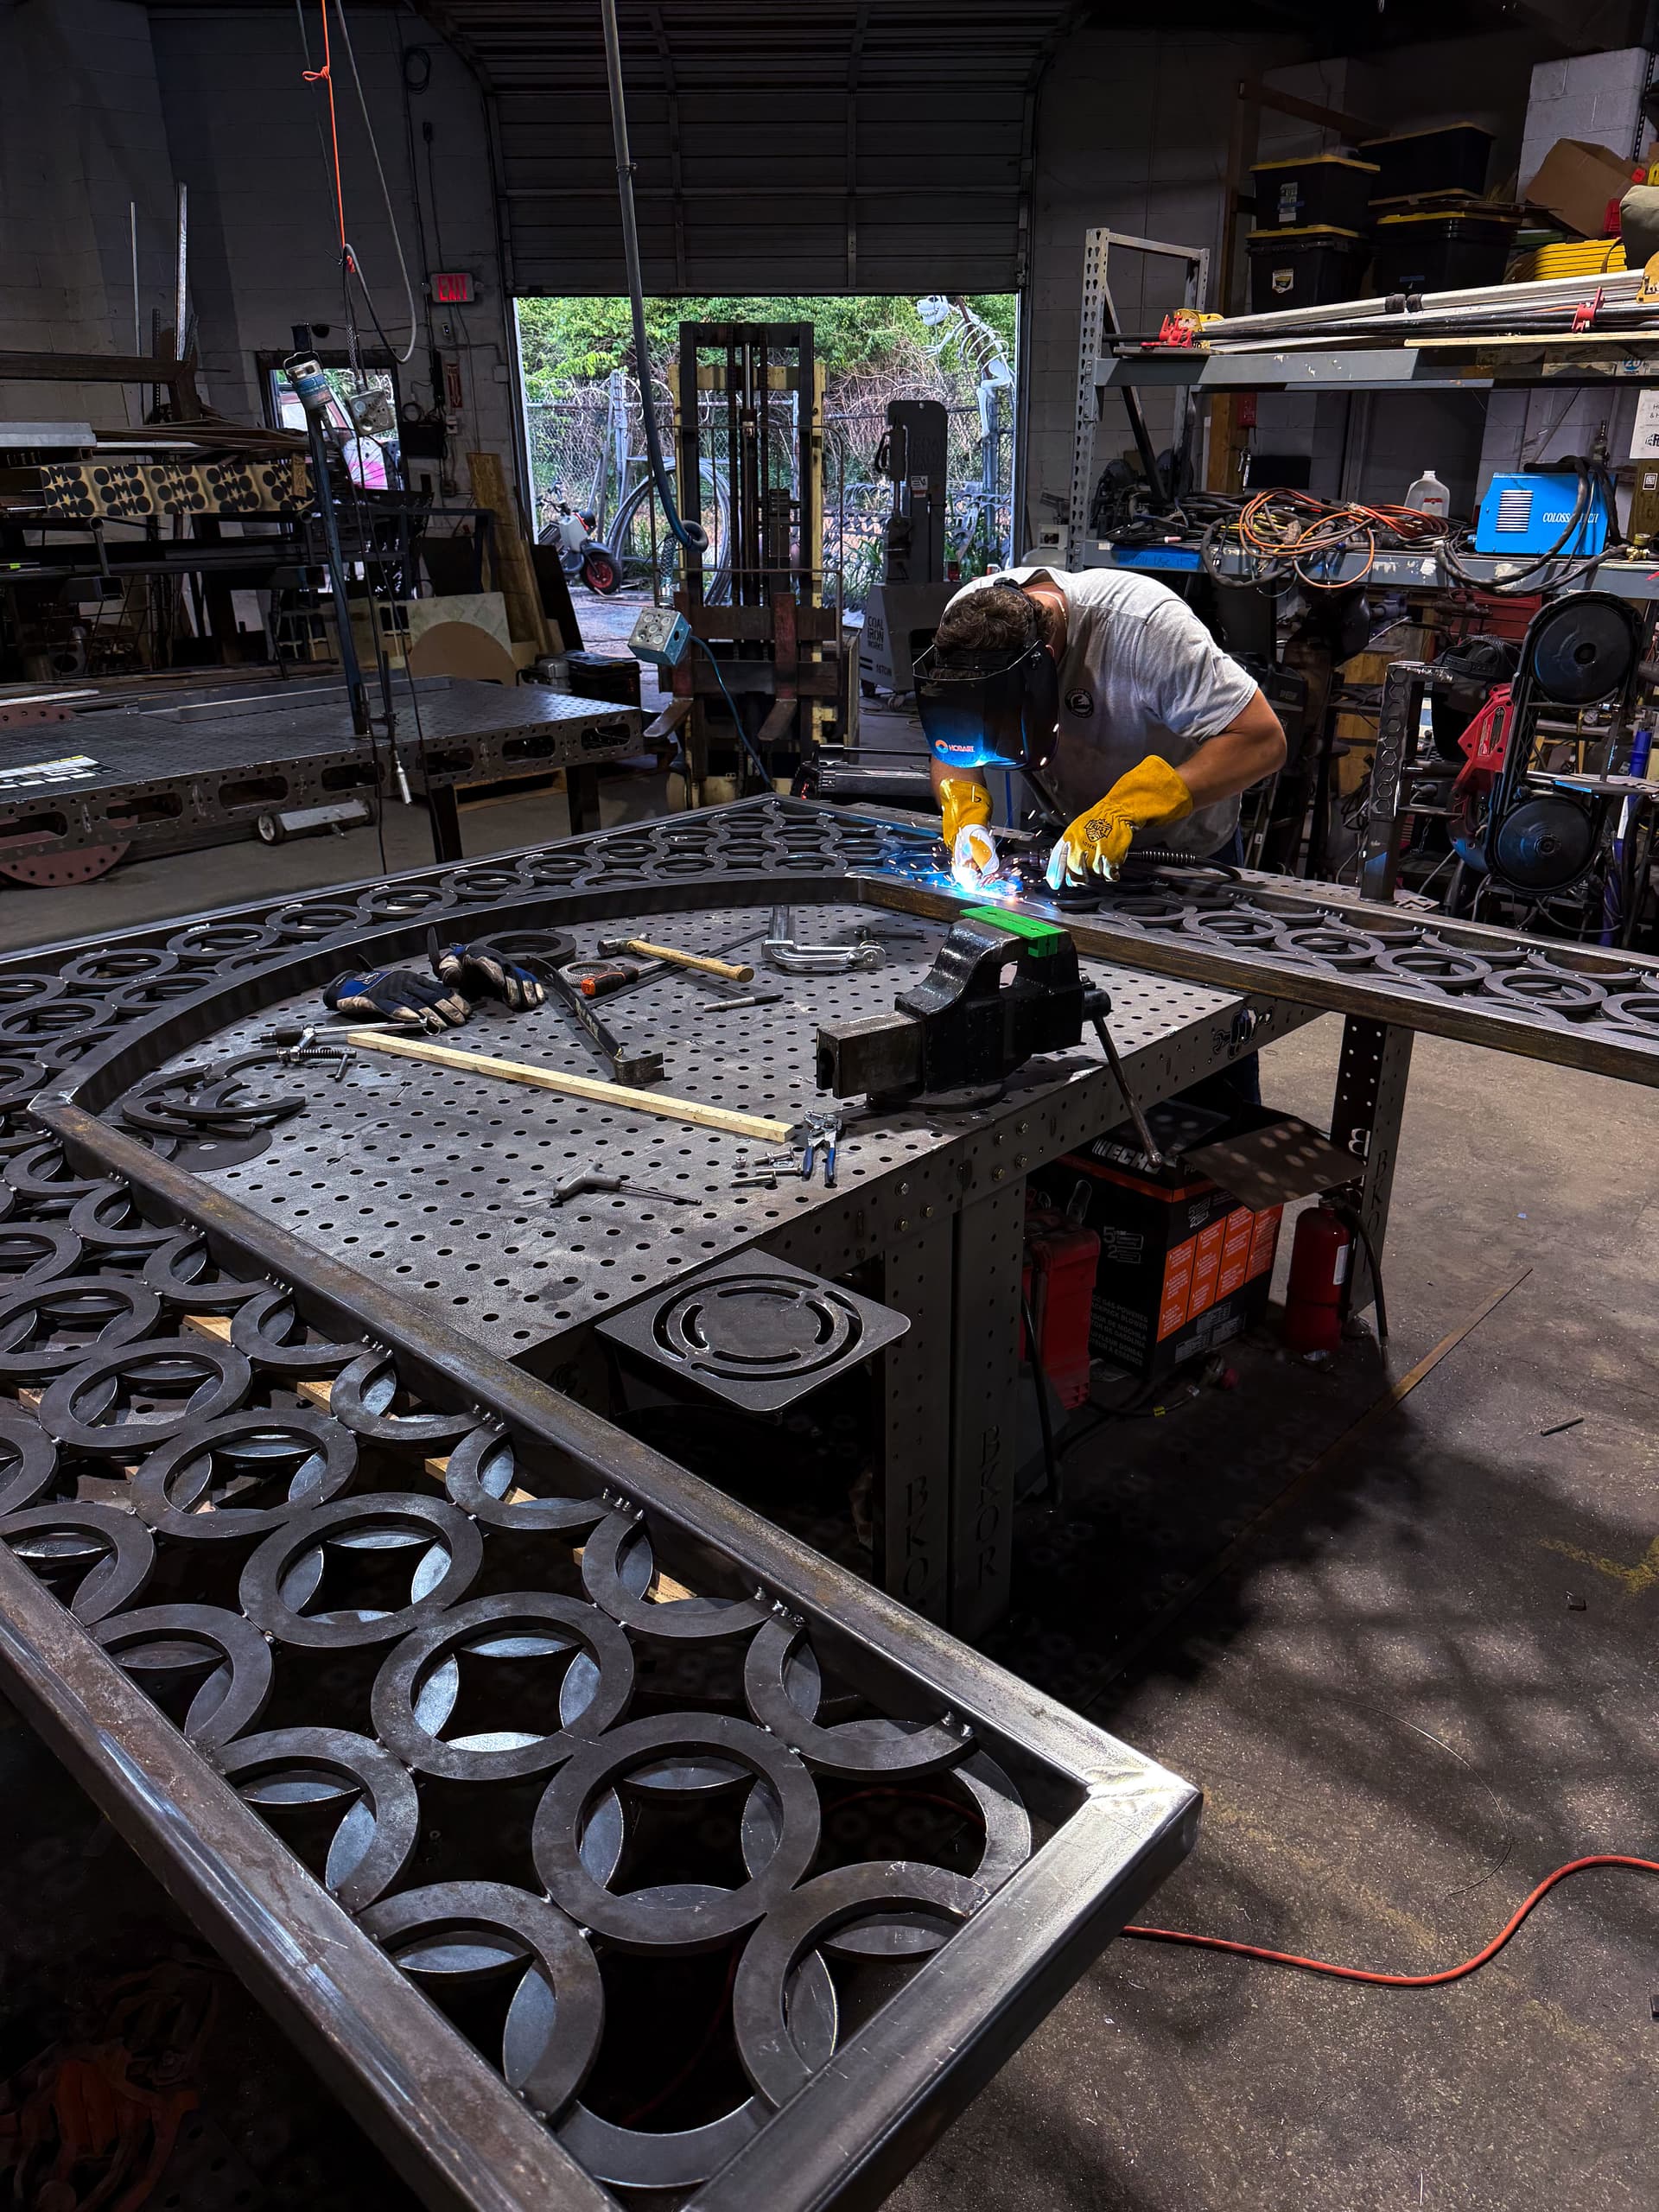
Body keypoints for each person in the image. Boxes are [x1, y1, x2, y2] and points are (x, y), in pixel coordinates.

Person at [925, 565, 1286, 894]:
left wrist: (1126, 809)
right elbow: (955, 743)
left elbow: (1262, 741)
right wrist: (965, 815)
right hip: (1068, 835)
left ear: (1046, 660)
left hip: (1179, 849)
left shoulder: (1147, 628)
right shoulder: (966, 624)